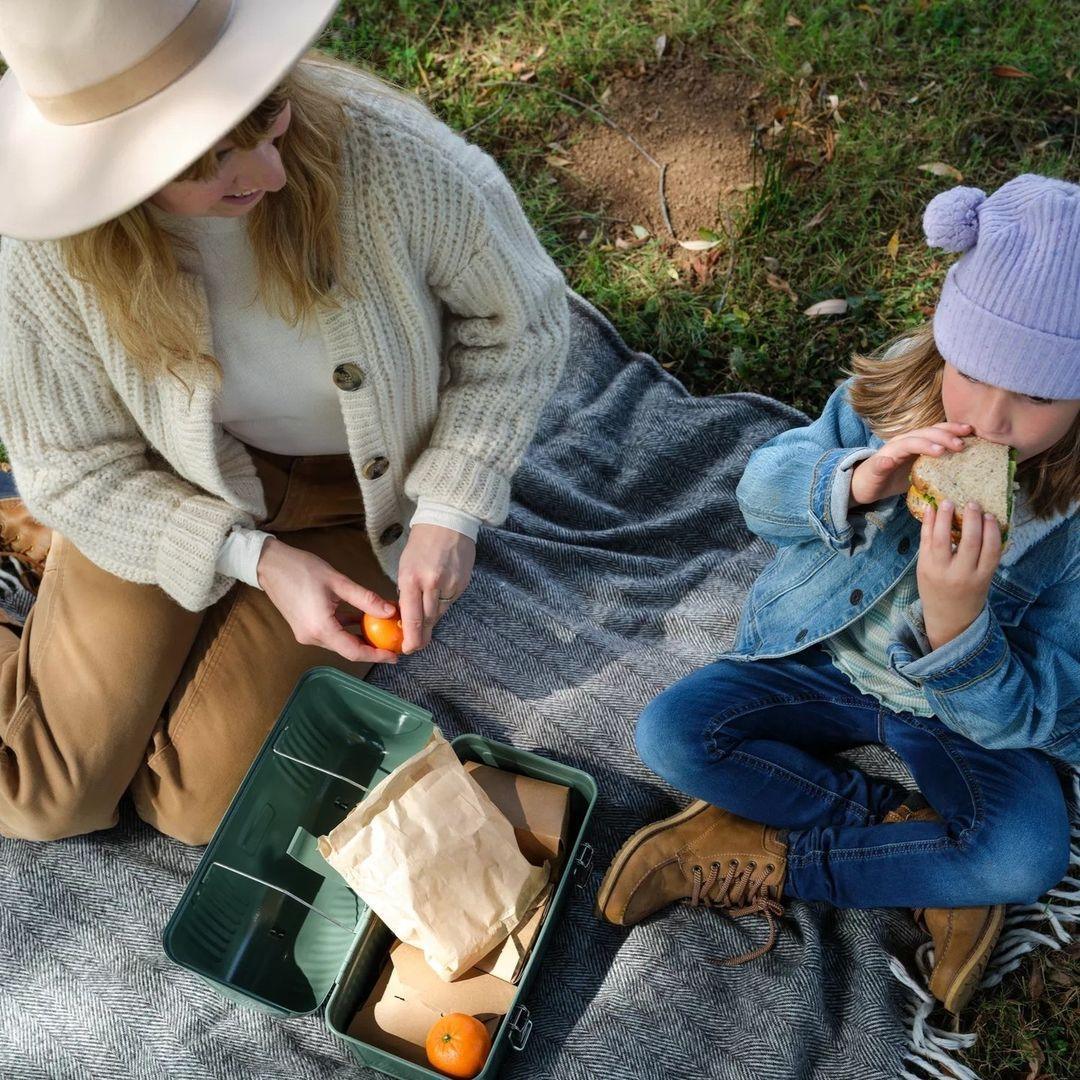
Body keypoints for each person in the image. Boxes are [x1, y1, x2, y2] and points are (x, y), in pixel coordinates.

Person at [0, 1, 569, 845]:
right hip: (160, 481)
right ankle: (47, 570)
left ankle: (58, 564)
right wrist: (252, 559)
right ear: (107, 172)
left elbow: (524, 324)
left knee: (199, 805)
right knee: (44, 795)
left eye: (266, 115)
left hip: (355, 492)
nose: (268, 173)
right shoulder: (48, 256)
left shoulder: (391, 158)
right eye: (208, 162)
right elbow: (75, 464)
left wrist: (451, 505)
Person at [597, 174, 1080, 1014]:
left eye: (1037, 396)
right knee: (672, 734)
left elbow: (1046, 709)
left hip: (965, 722)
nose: (990, 421)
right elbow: (762, 493)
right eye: (971, 372)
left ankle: (779, 854)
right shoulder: (900, 389)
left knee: (1024, 854)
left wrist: (958, 625)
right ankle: (915, 855)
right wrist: (857, 482)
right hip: (825, 663)